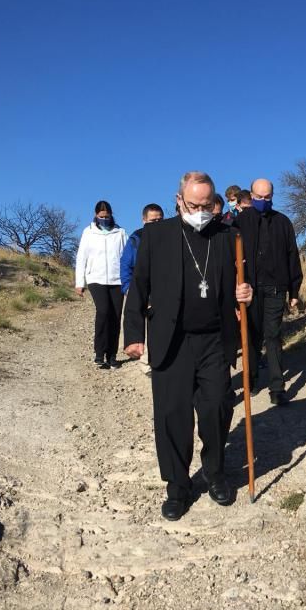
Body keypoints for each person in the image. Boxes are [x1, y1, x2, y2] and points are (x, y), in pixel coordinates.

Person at [123, 171, 253, 521]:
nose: (201, 211)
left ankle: (214, 472)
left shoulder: (228, 237)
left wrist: (245, 293)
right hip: (172, 339)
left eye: (207, 205)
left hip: (214, 338)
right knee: (172, 416)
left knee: (216, 409)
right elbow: (139, 286)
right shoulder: (156, 235)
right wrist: (133, 333)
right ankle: (177, 486)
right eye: (193, 204)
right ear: (179, 200)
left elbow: (242, 281)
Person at [235, 178, 302, 405]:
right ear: (251, 196)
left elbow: (293, 255)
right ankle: (251, 380)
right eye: (259, 197)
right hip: (249, 290)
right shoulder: (240, 222)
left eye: (267, 197)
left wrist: (294, 290)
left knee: (273, 336)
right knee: (251, 336)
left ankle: (277, 387)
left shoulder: (283, 222)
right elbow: (230, 257)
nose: (263, 201)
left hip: (275, 289)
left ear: (272, 196)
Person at [75, 200, 127, 369]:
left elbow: (127, 258)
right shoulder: (88, 232)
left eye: (107, 216)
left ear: (111, 215)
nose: (104, 218)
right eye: (101, 216)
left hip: (116, 280)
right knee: (103, 312)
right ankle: (99, 353)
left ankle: (112, 355)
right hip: (95, 279)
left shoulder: (120, 233)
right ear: (96, 215)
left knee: (116, 316)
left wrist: (128, 280)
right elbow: (81, 257)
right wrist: (79, 282)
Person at [120, 203, 164, 295]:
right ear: (144, 220)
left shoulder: (170, 237)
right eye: (152, 220)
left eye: (159, 220)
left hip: (164, 291)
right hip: (140, 291)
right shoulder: (135, 239)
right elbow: (125, 265)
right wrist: (127, 288)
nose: (157, 223)